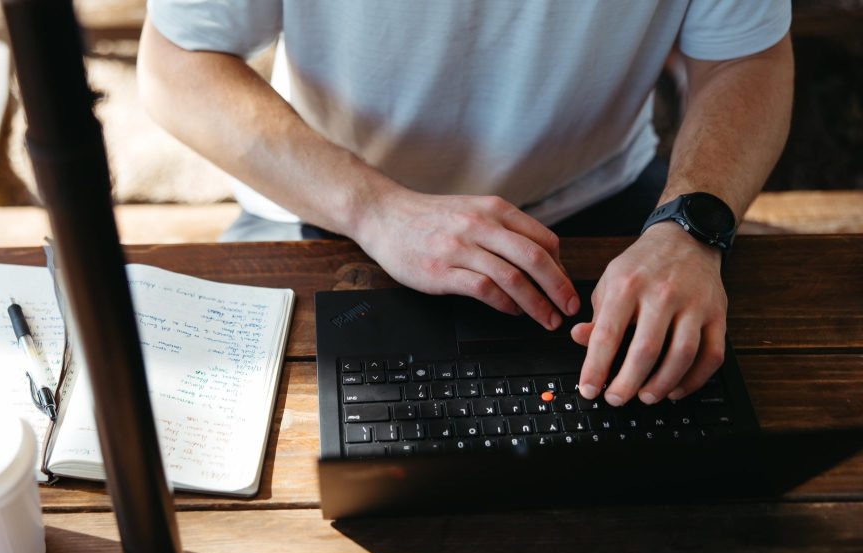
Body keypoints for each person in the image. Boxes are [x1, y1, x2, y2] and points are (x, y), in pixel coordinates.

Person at [137, 1, 793, 407]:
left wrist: (691, 226)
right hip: (328, 206)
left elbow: (747, 59)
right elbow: (175, 61)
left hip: (610, 204)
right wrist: (375, 208)